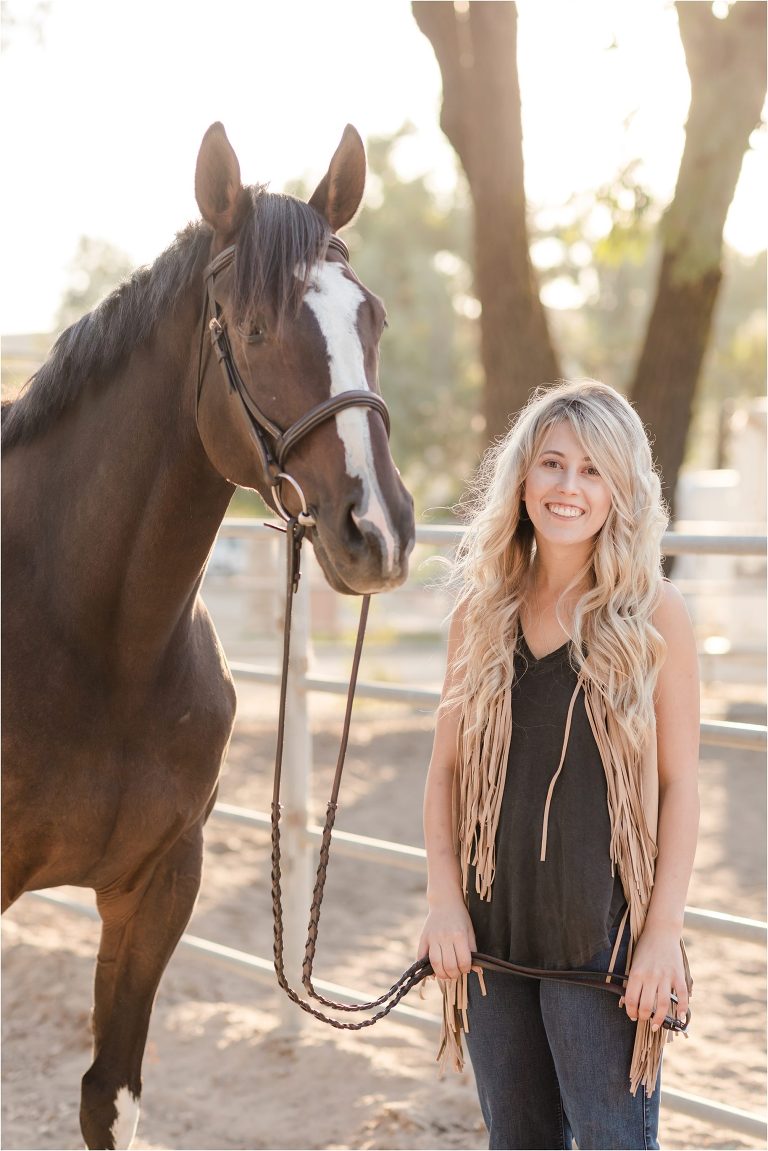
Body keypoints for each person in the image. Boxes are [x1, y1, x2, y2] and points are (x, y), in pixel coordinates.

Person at [418, 380, 699, 1150]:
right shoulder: (480, 613)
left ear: (621, 490)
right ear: (522, 477)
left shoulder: (654, 614)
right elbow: (443, 772)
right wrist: (444, 899)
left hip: (600, 946)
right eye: (552, 463)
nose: (568, 486)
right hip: (491, 935)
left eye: (592, 470)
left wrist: (663, 931)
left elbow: (679, 787)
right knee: (519, 1141)